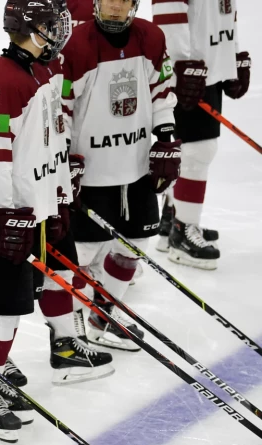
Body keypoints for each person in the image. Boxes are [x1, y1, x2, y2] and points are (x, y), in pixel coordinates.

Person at [0, 0, 110, 442]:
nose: (60, 31)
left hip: (37, 210)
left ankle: (3, 372)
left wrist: (59, 193)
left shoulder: (45, 69)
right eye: (51, 24)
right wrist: (10, 214)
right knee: (0, 312)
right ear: (26, 29)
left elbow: (51, 141)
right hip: (3, 218)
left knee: (30, 297)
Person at [62, 0, 181, 350]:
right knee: (81, 253)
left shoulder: (152, 37)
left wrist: (165, 137)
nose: (115, 5)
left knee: (135, 246)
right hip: (92, 170)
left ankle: (104, 314)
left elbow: (162, 90)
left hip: (137, 165)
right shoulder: (76, 45)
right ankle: (72, 330)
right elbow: (63, 105)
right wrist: (64, 156)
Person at [154, 0, 250, 269]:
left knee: (195, 150)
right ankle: (182, 231)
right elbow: (168, 11)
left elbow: (226, 9)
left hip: (208, 65)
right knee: (197, 150)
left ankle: (173, 219)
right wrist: (180, 62)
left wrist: (235, 55)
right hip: (192, 67)